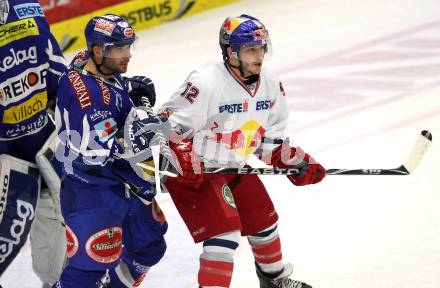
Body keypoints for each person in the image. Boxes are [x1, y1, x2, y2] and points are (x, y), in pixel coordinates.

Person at [158, 14, 326, 288]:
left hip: (232, 165)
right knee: (225, 236)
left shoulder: (270, 84)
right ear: (230, 52)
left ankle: (274, 281)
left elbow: (268, 139)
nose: (259, 55)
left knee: (263, 222)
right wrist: (180, 153)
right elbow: (165, 125)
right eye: (251, 49)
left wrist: (294, 161)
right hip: (195, 171)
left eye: (261, 48)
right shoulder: (206, 81)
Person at [53, 14, 167, 288]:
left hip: (123, 182)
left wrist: (127, 89)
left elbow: (102, 85)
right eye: (119, 49)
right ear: (98, 50)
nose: (127, 55)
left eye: (128, 46)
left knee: (149, 246)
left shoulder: (88, 63)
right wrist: (144, 142)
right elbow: (97, 151)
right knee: (90, 265)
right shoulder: (91, 100)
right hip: (91, 187)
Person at [0, 0, 67, 286]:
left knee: (56, 238)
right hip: (5, 158)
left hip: (43, 145)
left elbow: (56, 69)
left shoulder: (27, 7)